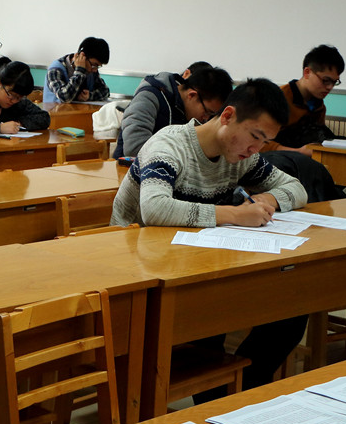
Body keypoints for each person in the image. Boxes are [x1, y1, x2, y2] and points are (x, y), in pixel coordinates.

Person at [110, 78, 308, 399]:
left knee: (291, 309)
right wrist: (234, 214)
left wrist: (268, 199)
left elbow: (296, 188)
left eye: (265, 142)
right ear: (227, 116)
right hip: (140, 269)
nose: (255, 150)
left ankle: (238, 394)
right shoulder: (170, 145)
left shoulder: (240, 157)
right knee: (209, 319)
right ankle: (219, 402)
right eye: (254, 136)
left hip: (194, 263)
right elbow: (155, 209)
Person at [114, 65, 233, 158]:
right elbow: (134, 148)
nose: (206, 119)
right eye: (207, 112)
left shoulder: (188, 110)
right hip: (126, 172)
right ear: (192, 95)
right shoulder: (149, 97)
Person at [263, 45, 346, 156]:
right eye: (326, 80)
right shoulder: (276, 99)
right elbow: (258, 142)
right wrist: (299, 152)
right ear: (307, 72)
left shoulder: (319, 106)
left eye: (334, 82)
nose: (330, 87)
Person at [43, 37, 111, 104]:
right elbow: (65, 97)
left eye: (98, 66)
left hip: (78, 110)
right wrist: (80, 70)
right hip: (54, 111)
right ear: (82, 56)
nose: (95, 70)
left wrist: (90, 96)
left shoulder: (91, 70)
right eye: (94, 65)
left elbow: (105, 91)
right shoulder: (55, 69)